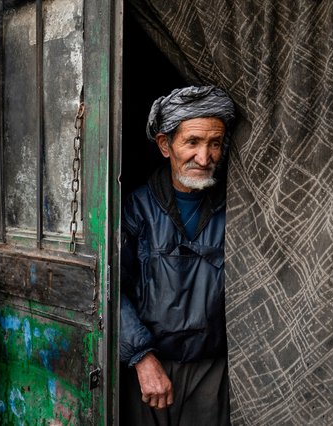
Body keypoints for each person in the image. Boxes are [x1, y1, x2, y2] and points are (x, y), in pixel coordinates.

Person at [120, 85, 234, 425]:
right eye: (193, 142)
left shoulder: (236, 205)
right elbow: (111, 290)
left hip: (211, 370)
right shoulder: (137, 208)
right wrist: (141, 357)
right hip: (150, 366)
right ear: (165, 145)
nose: (205, 157)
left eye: (215, 143)